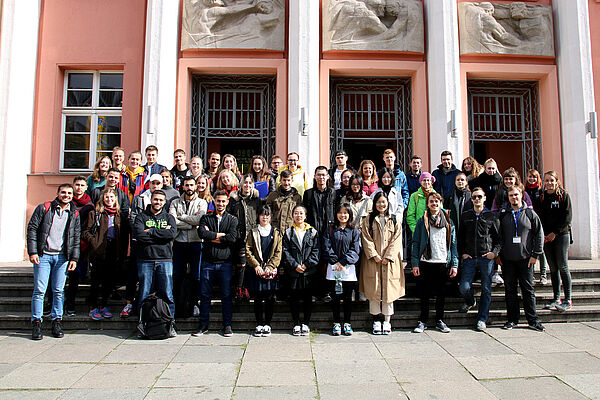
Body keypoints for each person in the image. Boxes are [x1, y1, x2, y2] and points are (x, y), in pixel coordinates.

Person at [27, 184, 80, 340]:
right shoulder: (45, 208)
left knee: (58, 291)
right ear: (57, 193)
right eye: (63, 192)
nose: (66, 195)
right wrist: (33, 251)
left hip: (62, 257)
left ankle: (57, 321)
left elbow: (75, 238)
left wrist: (74, 258)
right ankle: (37, 322)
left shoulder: (74, 213)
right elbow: (32, 228)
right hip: (43, 256)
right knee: (40, 290)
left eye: (69, 193)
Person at [498, 186, 545, 332]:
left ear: (521, 195)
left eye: (516, 195)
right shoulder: (503, 214)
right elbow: (498, 236)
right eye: (511, 195)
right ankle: (512, 319)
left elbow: (539, 234)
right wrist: (498, 255)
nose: (514, 197)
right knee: (510, 290)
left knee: (528, 290)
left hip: (526, 259)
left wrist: (535, 255)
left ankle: (533, 320)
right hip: (508, 260)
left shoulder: (530, 214)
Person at [411, 192, 458, 334]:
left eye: (437, 201)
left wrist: (454, 264)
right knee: (424, 293)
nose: (434, 204)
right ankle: (423, 321)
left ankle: (439, 320)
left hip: (443, 261)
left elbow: (453, 244)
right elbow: (416, 242)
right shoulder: (422, 221)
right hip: (426, 261)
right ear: (428, 204)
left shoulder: (448, 221)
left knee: (441, 294)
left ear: (441, 203)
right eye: (431, 201)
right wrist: (414, 263)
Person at [132, 190, 177, 336]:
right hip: (146, 260)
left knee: (167, 294)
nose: (158, 202)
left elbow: (171, 234)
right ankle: (142, 325)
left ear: (164, 202)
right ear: (151, 200)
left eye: (161, 200)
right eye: (155, 199)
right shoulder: (141, 217)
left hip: (165, 260)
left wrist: (150, 231)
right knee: (144, 293)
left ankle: (170, 325)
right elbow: (139, 235)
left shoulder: (169, 218)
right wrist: (160, 234)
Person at [194, 190, 239, 337]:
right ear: (214, 201)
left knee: (226, 295)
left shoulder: (232, 219)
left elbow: (232, 237)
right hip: (208, 262)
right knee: (205, 295)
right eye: (218, 201)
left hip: (225, 263)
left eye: (223, 201)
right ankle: (203, 325)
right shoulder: (206, 218)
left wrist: (211, 236)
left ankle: (227, 325)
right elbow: (202, 234)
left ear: (227, 202)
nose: (220, 204)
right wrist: (220, 236)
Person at [457, 187, 500, 331]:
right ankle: (470, 301)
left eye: (479, 197)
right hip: (469, 257)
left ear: (484, 198)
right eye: (474, 197)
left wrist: (494, 253)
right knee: (464, 287)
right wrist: (462, 252)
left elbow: (498, 239)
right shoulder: (466, 215)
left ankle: (482, 318)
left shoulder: (491, 216)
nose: (476, 199)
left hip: (486, 258)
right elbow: (460, 237)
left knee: (486, 289)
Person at [361, 192, 404, 335]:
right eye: (378, 202)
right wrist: (374, 254)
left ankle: (387, 320)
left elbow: (397, 239)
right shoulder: (369, 219)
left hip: (389, 262)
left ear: (388, 203)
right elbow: (366, 238)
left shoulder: (394, 219)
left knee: (388, 290)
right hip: (373, 261)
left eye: (383, 202)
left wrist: (388, 256)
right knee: (374, 289)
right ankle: (376, 320)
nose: (381, 205)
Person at [83, 188, 126, 320]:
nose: (109, 200)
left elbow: (124, 234)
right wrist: (94, 242)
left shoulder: (120, 215)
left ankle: (104, 305)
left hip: (114, 249)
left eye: (112, 197)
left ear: (115, 199)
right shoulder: (95, 213)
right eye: (107, 197)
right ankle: (93, 306)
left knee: (109, 280)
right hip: (98, 250)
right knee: (96, 279)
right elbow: (86, 231)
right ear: (102, 199)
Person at [169, 176, 207, 318]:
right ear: (183, 187)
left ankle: (195, 303)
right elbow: (173, 220)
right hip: (179, 243)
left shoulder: (201, 202)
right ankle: (177, 304)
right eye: (187, 185)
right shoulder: (175, 202)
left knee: (196, 275)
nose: (189, 188)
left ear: (196, 186)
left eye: (192, 185)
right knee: (177, 275)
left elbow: (200, 219)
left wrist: (183, 217)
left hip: (196, 242)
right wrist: (191, 223)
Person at [322, 203, 361, 336]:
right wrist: (335, 261)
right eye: (340, 212)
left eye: (345, 213)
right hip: (333, 268)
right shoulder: (330, 229)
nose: (343, 215)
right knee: (335, 297)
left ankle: (347, 323)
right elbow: (326, 247)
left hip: (348, 269)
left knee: (347, 297)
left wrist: (343, 262)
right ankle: (336, 322)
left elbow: (355, 250)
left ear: (349, 215)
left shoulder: (354, 231)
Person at [282, 205, 320, 336]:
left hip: (308, 272)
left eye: (301, 213)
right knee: (294, 298)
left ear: (305, 216)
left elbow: (316, 251)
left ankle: (306, 323)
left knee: (307, 298)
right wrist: (295, 265)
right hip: (293, 272)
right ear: (292, 216)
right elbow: (285, 251)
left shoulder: (313, 232)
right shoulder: (288, 232)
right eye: (296, 213)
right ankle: (296, 323)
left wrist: (306, 265)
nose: (299, 216)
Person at [538, 171, 573, 312]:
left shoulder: (563, 196)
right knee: (552, 268)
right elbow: (539, 216)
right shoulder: (542, 197)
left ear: (556, 181)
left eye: (551, 180)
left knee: (562, 266)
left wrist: (555, 233)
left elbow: (567, 218)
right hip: (546, 237)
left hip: (561, 235)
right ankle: (556, 297)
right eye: (546, 180)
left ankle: (568, 299)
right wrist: (544, 235)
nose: (549, 183)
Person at [245, 205, 282, 337]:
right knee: (258, 298)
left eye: (267, 215)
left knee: (270, 298)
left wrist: (270, 267)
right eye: (262, 215)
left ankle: (267, 324)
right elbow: (248, 250)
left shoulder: (276, 233)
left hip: (270, 271)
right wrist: (256, 266)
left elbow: (278, 252)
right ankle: (259, 323)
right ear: (258, 216)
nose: (264, 217)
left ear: (271, 217)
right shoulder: (253, 232)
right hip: (257, 271)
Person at [63, 176, 94, 316]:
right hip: (64, 245)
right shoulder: (66, 202)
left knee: (74, 277)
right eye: (77, 185)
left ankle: (70, 304)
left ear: (86, 187)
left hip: (81, 245)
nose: (79, 187)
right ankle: (53, 303)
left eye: (82, 185)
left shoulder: (89, 205)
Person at [228, 174, 262, 302]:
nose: (247, 185)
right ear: (241, 184)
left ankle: (249, 289)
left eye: (250, 183)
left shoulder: (256, 199)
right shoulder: (234, 199)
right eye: (245, 183)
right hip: (239, 237)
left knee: (252, 264)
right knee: (241, 264)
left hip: (253, 236)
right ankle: (239, 290)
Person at [525, 169, 547, 285]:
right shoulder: (525, 191)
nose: (532, 179)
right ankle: (531, 274)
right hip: (529, 223)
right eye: (530, 177)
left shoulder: (541, 191)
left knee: (541, 250)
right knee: (530, 249)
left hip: (540, 222)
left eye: (534, 177)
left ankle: (543, 274)